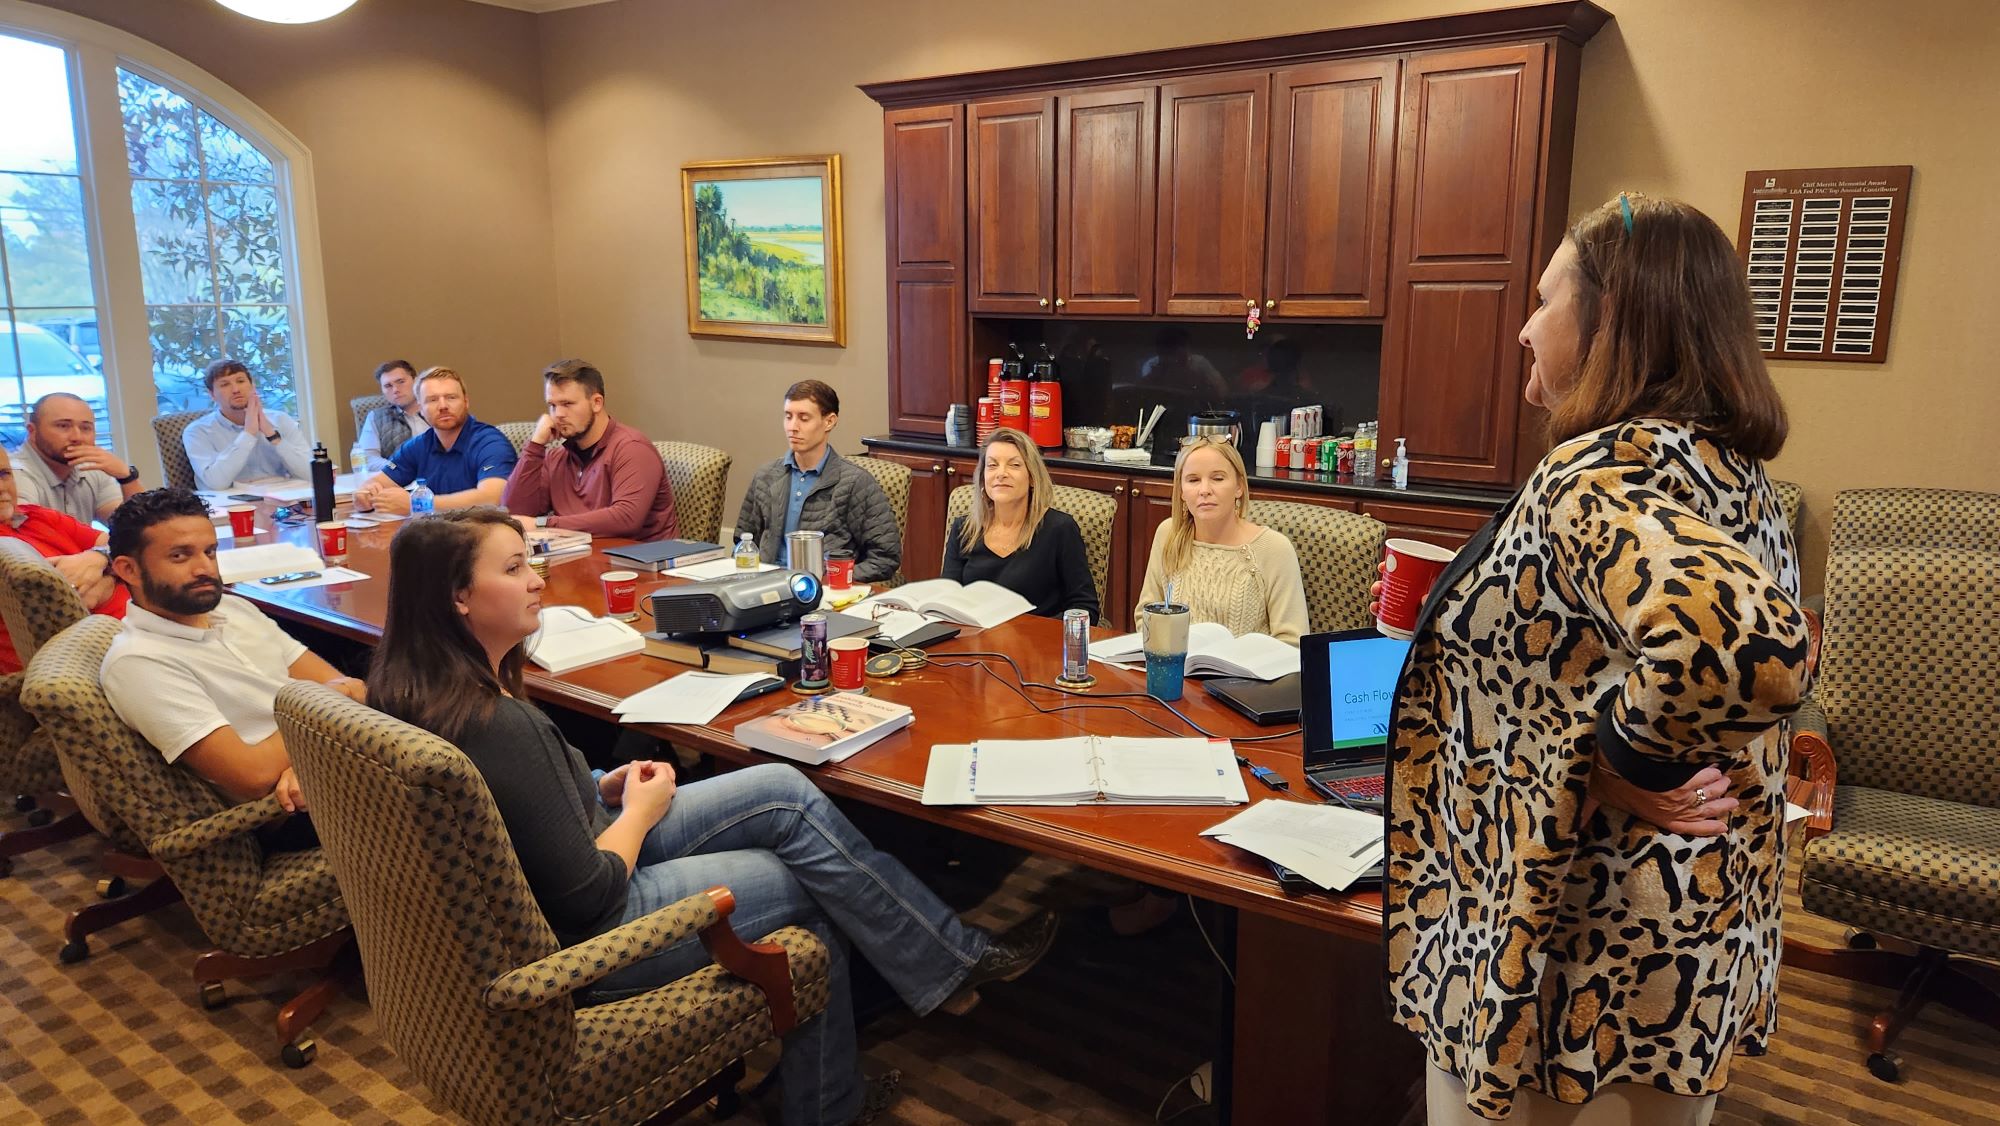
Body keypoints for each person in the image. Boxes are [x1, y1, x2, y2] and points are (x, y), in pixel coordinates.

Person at [365, 509, 1057, 1125]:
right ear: (458, 598)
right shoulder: (497, 723)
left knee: (783, 791)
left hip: (583, 844)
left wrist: (602, 787)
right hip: (591, 926)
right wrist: (637, 813)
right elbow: (589, 896)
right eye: (515, 569)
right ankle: (832, 1102)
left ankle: (946, 959)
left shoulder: (415, 691)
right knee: (808, 890)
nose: (538, 580)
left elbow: (528, 804)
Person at [1382, 194, 1813, 1125]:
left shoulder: (1601, 476)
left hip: (1560, 960)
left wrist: (1622, 758)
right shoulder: (1733, 474)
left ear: (1611, 318)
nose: (1527, 329)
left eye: (1546, 300)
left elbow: (1745, 649)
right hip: (1683, 948)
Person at [99, 489, 368, 848]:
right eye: (180, 556)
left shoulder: (233, 609)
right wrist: (330, 709)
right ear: (128, 569)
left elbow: (353, 689)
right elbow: (253, 774)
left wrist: (303, 756)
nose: (205, 569)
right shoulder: (139, 662)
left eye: (209, 552)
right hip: (294, 811)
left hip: (325, 765)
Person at [1134, 436, 1309, 644]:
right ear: (1181, 490)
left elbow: (1292, 642)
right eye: (1193, 480)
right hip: (1176, 669)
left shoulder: (1274, 548)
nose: (1205, 490)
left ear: (1239, 487)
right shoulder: (1168, 534)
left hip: (1248, 674)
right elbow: (1145, 618)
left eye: (1218, 478)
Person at [736, 380, 900, 582]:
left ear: (829, 421)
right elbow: (744, 540)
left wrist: (832, 579)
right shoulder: (766, 475)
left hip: (825, 590)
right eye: (788, 417)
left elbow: (885, 557)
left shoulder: (855, 483)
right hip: (767, 586)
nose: (792, 427)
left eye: (804, 418)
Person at [502, 358, 677, 540]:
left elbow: (626, 518)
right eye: (552, 405)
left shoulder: (632, 448)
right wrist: (535, 446)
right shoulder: (557, 457)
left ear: (596, 403)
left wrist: (545, 524)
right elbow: (515, 514)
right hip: (578, 558)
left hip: (639, 561)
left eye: (567, 404)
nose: (559, 414)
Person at [941, 428, 1098, 621]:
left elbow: (1085, 607)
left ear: (1032, 477)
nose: (1001, 474)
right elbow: (947, 602)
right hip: (973, 643)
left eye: (1014, 465)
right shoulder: (963, 528)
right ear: (983, 477)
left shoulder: (1060, 529)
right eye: (992, 465)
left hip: (1035, 645)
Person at [0, 445, 127, 674]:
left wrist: (98, 558)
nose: (1, 488)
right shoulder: (7, 549)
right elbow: (72, 604)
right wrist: (117, 575)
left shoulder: (32, 514)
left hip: (145, 629)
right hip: (93, 668)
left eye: (3, 474)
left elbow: (130, 539)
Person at [354, 366, 516, 515]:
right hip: (437, 534)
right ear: (421, 409)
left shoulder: (490, 442)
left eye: (451, 397)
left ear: (466, 402)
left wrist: (419, 504)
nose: (443, 406)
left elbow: (491, 498)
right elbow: (378, 482)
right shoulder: (419, 445)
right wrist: (366, 495)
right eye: (432, 400)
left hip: (483, 536)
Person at [10, 392, 145, 523]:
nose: (77, 437)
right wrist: (98, 539)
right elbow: (30, 535)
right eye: (63, 426)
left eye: (85, 428)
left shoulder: (90, 466)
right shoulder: (12, 474)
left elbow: (137, 527)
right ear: (32, 432)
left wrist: (127, 478)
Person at [182, 359, 314, 490]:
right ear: (212, 394)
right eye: (225, 384)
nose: (235, 390)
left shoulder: (280, 420)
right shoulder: (197, 432)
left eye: (240, 381)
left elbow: (311, 474)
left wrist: (272, 435)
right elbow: (216, 483)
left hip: (282, 501)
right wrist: (248, 434)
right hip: (229, 506)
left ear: (252, 386)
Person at [353, 359, 429, 473]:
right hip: (398, 483)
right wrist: (398, 467)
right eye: (388, 386)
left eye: (401, 381)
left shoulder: (436, 411)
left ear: (416, 381)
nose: (395, 390)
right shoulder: (376, 418)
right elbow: (367, 458)